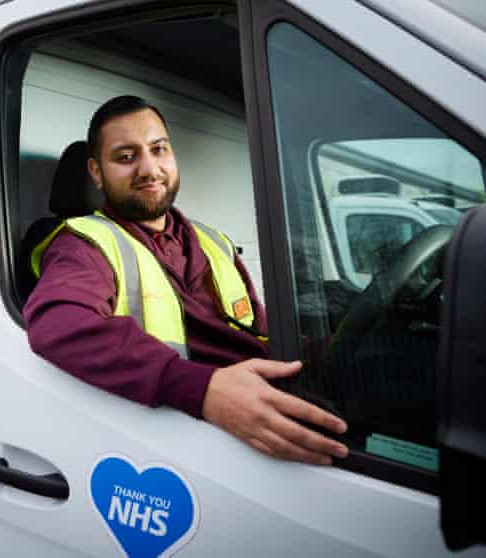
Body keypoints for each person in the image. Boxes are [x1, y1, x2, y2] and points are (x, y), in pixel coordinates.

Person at [24, 95, 349, 465]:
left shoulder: (214, 242)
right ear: (96, 173)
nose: (149, 169)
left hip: (272, 389)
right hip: (200, 429)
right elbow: (58, 322)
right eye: (126, 157)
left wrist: (325, 350)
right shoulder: (83, 244)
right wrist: (202, 390)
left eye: (158, 150)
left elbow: (253, 330)